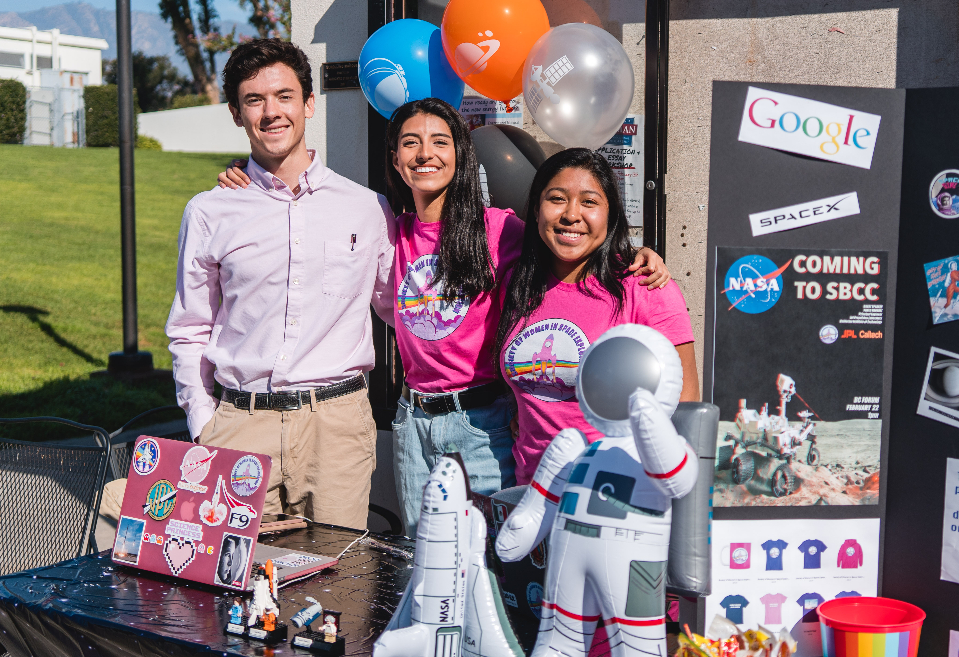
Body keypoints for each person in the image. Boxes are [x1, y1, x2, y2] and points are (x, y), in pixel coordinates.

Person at [217, 98, 670, 536]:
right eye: (410, 142)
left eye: (440, 141)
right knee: (423, 558)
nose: (425, 153)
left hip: (481, 423)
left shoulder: (500, 229)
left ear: (460, 155)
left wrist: (635, 256)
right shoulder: (389, 229)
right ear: (395, 160)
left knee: (490, 561)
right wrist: (248, 176)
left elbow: (567, 251)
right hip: (413, 422)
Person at [167, 38, 394, 530]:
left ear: (309, 104)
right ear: (235, 113)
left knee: (339, 592)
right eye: (254, 100)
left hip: (336, 430)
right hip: (240, 426)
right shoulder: (210, 211)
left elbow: (399, 308)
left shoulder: (367, 208)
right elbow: (189, 328)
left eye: (284, 96)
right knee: (239, 592)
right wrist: (204, 423)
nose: (272, 112)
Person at [495, 148, 698, 481]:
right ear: (535, 210)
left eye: (589, 202)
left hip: (614, 495)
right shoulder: (516, 285)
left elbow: (685, 402)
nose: (571, 215)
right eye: (557, 199)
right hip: (530, 488)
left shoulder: (644, 286)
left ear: (610, 215)